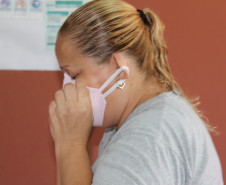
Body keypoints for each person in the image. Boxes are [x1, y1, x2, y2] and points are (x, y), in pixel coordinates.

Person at [48, 0, 224, 184]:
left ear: (120, 69)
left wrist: (71, 144)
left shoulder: (147, 137)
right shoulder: (141, 121)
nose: (68, 88)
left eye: (74, 76)